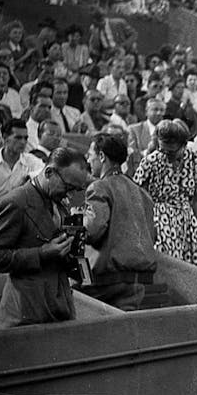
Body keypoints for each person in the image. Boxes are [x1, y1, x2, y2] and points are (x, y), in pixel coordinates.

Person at [0, 147, 89, 328]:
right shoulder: (16, 202)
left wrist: (73, 250)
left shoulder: (61, 205)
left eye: (76, 190)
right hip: (24, 315)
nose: (70, 195)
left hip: (59, 310)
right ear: (49, 172)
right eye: (68, 187)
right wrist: (41, 253)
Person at [81, 133, 157, 310]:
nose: (88, 159)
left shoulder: (99, 186)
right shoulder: (141, 192)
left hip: (105, 280)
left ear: (101, 156)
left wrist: (77, 223)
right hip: (137, 281)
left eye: (90, 155)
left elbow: (92, 230)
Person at [133, 120, 197, 269]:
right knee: (169, 264)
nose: (166, 155)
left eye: (172, 152)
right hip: (159, 217)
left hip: (187, 218)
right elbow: (136, 197)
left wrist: (196, 231)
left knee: (196, 264)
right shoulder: (151, 161)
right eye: (163, 150)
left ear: (184, 145)